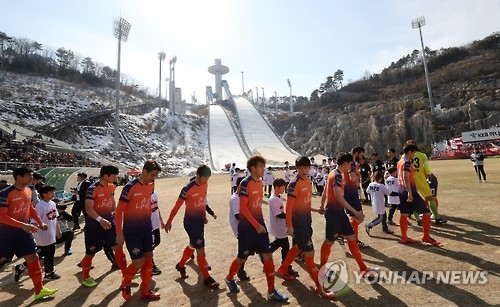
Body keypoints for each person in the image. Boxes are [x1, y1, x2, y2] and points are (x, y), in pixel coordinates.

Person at [224, 155, 288, 302]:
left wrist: (261, 225)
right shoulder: (245, 184)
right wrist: (256, 225)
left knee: (268, 256)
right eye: (261, 167)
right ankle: (228, 278)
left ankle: (271, 291)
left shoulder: (259, 183)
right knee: (242, 258)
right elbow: (243, 208)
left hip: (260, 227)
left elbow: (256, 207)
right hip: (248, 229)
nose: (263, 169)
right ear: (253, 168)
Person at [277, 156, 335, 299]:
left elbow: (305, 202)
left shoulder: (308, 180)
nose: (303, 170)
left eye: (305, 167)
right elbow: (289, 207)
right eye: (300, 168)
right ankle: (319, 287)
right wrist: (289, 226)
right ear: (296, 169)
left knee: (297, 247)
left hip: (306, 222)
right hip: (298, 225)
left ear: (309, 168)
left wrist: (316, 210)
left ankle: (283, 268)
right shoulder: (294, 183)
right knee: (309, 254)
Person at [0, 167, 57, 300]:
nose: (32, 178)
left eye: (32, 175)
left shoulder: (29, 190)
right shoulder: (5, 193)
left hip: (23, 233)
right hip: (6, 234)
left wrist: (39, 222)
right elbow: (1, 216)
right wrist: (23, 225)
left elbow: (29, 208)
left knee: (33, 258)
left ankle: (39, 290)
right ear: (19, 177)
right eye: (28, 176)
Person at [319, 153, 377, 277]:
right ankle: (322, 268)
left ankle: (363, 268)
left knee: (351, 238)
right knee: (329, 242)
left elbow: (325, 191)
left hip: (340, 214)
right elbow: (339, 197)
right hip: (334, 215)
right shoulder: (337, 176)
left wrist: (321, 205)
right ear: (345, 163)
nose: (351, 166)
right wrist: (355, 212)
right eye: (350, 164)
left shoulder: (332, 172)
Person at [165, 165, 219, 289]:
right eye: (204, 178)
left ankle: (181, 265)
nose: (205, 181)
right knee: (201, 250)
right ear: (197, 175)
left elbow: (202, 201)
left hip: (199, 222)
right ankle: (207, 278)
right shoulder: (187, 189)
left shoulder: (205, 185)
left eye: (207, 179)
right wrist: (169, 221)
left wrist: (204, 216)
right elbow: (176, 206)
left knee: (193, 245)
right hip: (190, 223)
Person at [116, 160, 162, 300]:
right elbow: (118, 212)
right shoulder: (130, 187)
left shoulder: (150, 185)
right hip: (132, 231)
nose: (153, 178)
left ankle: (145, 291)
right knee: (138, 262)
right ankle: (126, 282)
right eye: (152, 175)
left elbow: (148, 205)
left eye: (156, 176)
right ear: (144, 171)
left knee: (149, 259)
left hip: (146, 229)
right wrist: (119, 233)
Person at [80, 165, 128, 288]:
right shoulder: (92, 189)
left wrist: (114, 214)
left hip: (110, 223)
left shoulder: (111, 187)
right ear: (106, 175)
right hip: (94, 226)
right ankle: (86, 277)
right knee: (90, 253)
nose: (116, 178)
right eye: (114, 176)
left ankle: (126, 275)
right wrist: (100, 220)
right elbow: (88, 209)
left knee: (118, 247)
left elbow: (112, 202)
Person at [397, 144, 441, 245]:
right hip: (410, 192)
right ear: (410, 152)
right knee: (426, 213)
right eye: (414, 152)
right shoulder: (407, 162)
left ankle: (404, 237)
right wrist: (410, 193)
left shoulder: (400, 161)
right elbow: (406, 178)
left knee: (404, 214)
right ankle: (426, 237)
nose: (414, 155)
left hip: (401, 191)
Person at [406, 140, 447, 225]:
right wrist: (428, 175)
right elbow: (427, 168)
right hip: (421, 179)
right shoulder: (422, 155)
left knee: (412, 199)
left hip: (411, 180)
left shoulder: (404, 156)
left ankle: (418, 220)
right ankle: (437, 218)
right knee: (430, 198)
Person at [268, 178, 298, 279]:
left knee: (277, 244)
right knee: (285, 247)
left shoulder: (279, 197)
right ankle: (285, 268)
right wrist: (290, 215)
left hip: (281, 226)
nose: (284, 189)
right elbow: (278, 215)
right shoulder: (273, 199)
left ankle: (265, 255)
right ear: (276, 188)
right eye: (283, 187)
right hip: (278, 227)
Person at [32, 185, 61, 280]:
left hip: (51, 233)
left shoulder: (52, 203)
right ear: (44, 194)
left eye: (53, 192)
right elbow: (34, 221)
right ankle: (48, 274)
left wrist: (58, 229)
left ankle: (50, 272)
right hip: (43, 235)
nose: (53, 194)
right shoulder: (40, 206)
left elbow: (55, 217)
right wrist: (41, 227)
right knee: (48, 254)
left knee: (50, 253)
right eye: (51, 192)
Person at [343, 147, 369, 247]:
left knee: (354, 217)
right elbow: (352, 178)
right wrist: (359, 176)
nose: (362, 156)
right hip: (351, 192)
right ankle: (346, 234)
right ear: (357, 153)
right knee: (359, 217)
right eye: (361, 153)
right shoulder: (352, 163)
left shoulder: (347, 162)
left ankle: (353, 239)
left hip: (348, 191)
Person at [228, 177, 251, 281]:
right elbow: (239, 216)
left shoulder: (244, 196)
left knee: (248, 249)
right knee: (243, 252)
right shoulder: (235, 199)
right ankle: (239, 271)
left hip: (247, 227)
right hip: (240, 228)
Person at [150, 191, 164, 275]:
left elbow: (157, 209)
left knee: (157, 241)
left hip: (155, 224)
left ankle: (145, 257)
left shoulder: (154, 195)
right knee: (150, 247)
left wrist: (161, 221)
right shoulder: (144, 195)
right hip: (148, 225)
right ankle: (151, 265)